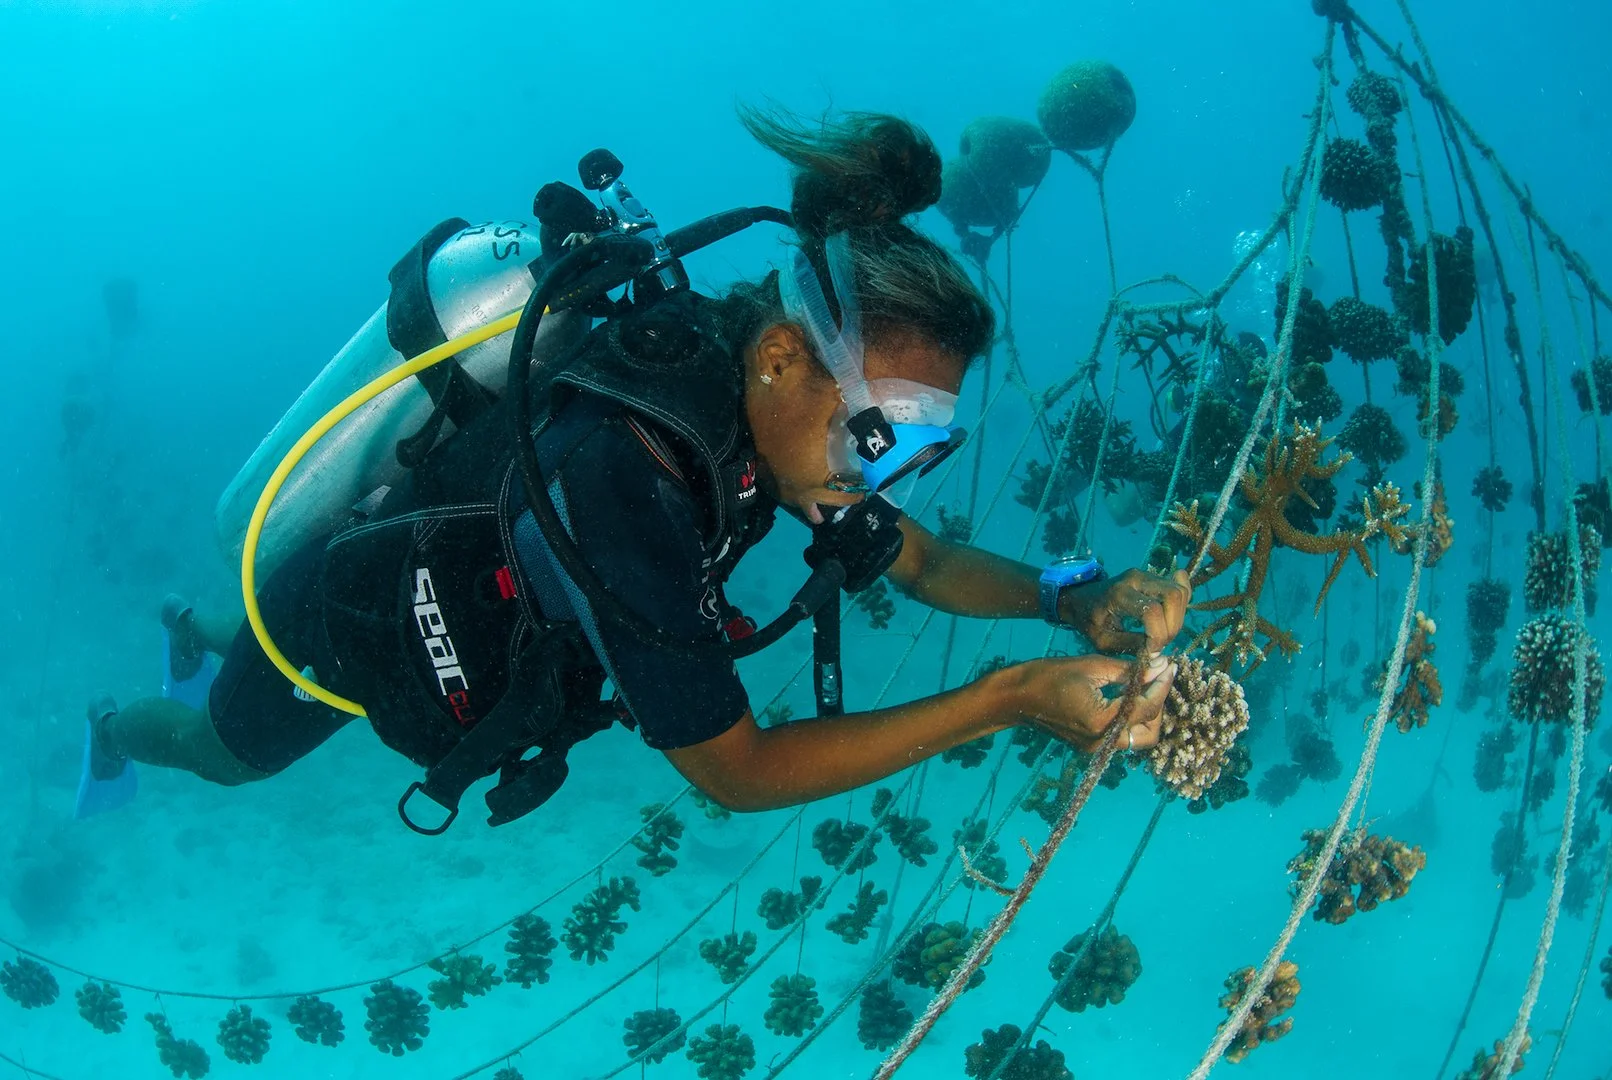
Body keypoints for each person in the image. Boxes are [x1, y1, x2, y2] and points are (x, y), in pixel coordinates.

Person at [85, 109, 1190, 828]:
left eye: (920, 445)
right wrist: (1004, 701)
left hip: (447, 577)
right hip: (345, 614)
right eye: (880, 434)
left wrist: (1068, 601)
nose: (887, 475)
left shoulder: (762, 408)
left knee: (235, 652)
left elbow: (925, 561)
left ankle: (201, 626)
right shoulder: (630, 476)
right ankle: (116, 717)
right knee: (221, 752)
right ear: (775, 358)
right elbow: (737, 770)